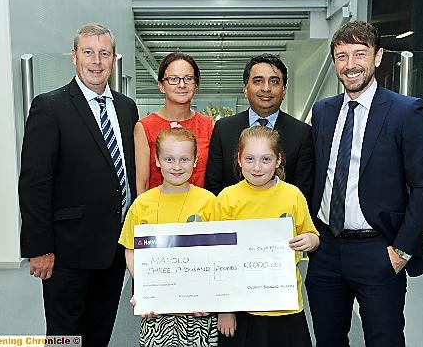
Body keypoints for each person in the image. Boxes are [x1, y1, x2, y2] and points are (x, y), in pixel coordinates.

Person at [306, 21, 423, 347]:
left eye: (359, 54)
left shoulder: (406, 112)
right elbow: (316, 176)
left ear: (378, 57)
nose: (350, 65)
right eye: (341, 56)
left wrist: (402, 251)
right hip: (325, 251)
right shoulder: (323, 111)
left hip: (378, 251)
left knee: (385, 340)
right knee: (327, 339)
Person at [18, 23, 138, 346]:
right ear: (74, 57)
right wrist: (39, 248)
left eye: (104, 53)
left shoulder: (127, 108)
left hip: (113, 249)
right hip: (67, 252)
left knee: (99, 333)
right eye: (88, 52)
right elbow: (34, 183)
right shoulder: (49, 107)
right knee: (65, 336)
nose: (96, 61)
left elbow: (127, 174)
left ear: (114, 59)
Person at [216, 126, 319, 347]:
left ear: (278, 160)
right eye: (250, 158)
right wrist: (225, 310)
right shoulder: (227, 198)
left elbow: (311, 234)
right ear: (239, 159)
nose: (257, 167)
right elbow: (218, 258)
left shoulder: (292, 195)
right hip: (242, 305)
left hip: (285, 304)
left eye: (266, 159)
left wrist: (310, 241)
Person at [119, 127, 218, 347]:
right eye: (169, 159)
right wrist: (144, 286)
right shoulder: (142, 204)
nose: (176, 166)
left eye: (184, 159)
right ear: (157, 160)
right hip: (156, 307)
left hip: (197, 308)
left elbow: (219, 252)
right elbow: (130, 249)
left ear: (195, 161)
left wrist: (211, 293)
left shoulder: (209, 201)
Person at [204, 53, 313, 200]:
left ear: (284, 90)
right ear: (245, 89)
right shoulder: (223, 129)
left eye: (274, 82)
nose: (266, 88)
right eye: (258, 81)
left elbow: (303, 191)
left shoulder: (302, 133)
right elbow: (213, 186)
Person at [135, 52, 214, 194]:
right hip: (159, 210)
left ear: (195, 84)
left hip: (199, 211)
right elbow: (143, 184)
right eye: (173, 79)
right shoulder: (145, 127)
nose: (182, 85)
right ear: (161, 85)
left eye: (188, 78)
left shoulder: (208, 125)